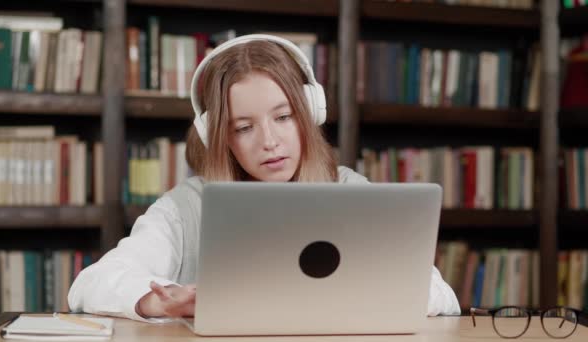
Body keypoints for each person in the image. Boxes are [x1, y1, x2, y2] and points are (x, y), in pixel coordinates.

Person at [68, 34, 461, 322]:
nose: (270, 142)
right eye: (244, 127)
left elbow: (441, 295)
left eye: (283, 117)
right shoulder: (184, 208)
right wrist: (156, 302)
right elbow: (91, 284)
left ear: (310, 113)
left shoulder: (351, 193)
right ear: (219, 136)